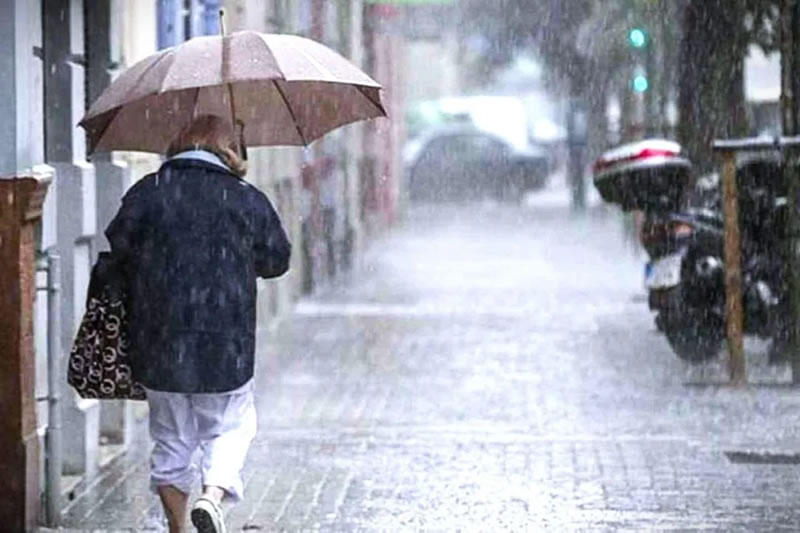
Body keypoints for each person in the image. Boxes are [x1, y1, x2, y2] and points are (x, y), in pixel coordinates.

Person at [105, 114, 291, 533]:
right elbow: (277, 260)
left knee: (170, 438)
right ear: (229, 149)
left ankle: (178, 528)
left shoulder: (147, 193)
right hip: (224, 342)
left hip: (158, 338)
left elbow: (118, 252)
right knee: (231, 424)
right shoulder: (245, 197)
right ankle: (212, 495)